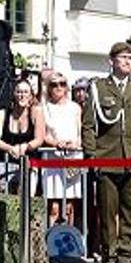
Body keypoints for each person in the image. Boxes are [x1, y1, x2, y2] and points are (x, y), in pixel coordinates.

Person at [83, 43, 131, 263]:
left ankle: (125, 258)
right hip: (106, 157)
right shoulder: (98, 88)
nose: (128, 62)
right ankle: (110, 258)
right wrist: (91, 156)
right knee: (107, 212)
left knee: (129, 213)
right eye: (123, 57)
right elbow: (89, 126)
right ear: (111, 60)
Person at [40, 71, 85, 228]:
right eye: (54, 84)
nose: (58, 87)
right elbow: (43, 134)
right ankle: (50, 243)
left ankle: (68, 244)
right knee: (54, 207)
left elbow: (80, 133)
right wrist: (55, 143)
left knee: (69, 207)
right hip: (52, 159)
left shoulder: (75, 108)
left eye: (62, 84)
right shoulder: (44, 108)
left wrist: (75, 143)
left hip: (72, 157)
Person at [0, 77, 47, 193]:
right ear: (14, 94)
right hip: (4, 162)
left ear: (30, 96)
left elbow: (39, 138)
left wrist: (25, 147)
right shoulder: (2, 112)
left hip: (28, 163)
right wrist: (10, 149)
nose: (22, 95)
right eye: (19, 92)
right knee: (6, 197)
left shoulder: (36, 111)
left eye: (25, 92)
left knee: (26, 197)